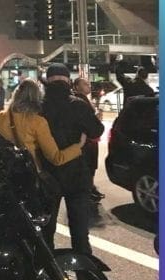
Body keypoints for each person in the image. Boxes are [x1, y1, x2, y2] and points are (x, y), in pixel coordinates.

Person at [0, 79, 87, 249]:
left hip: (8, 181)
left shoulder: (1, 118)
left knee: (16, 228)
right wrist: (78, 146)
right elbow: (56, 157)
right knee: (43, 231)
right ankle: (43, 268)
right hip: (31, 182)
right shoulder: (37, 122)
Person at [39, 64, 104, 255]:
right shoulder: (78, 104)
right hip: (77, 173)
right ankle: (86, 278)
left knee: (46, 229)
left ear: (47, 82)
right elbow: (96, 130)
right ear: (68, 81)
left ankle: (46, 276)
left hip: (47, 174)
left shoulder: (39, 107)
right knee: (79, 230)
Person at [73, 77, 106, 202]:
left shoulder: (84, 99)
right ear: (76, 87)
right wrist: (96, 117)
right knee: (89, 165)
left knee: (91, 165)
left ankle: (90, 188)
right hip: (87, 140)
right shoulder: (79, 100)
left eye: (88, 84)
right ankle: (89, 189)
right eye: (85, 84)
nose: (89, 86)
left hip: (90, 139)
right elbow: (87, 121)